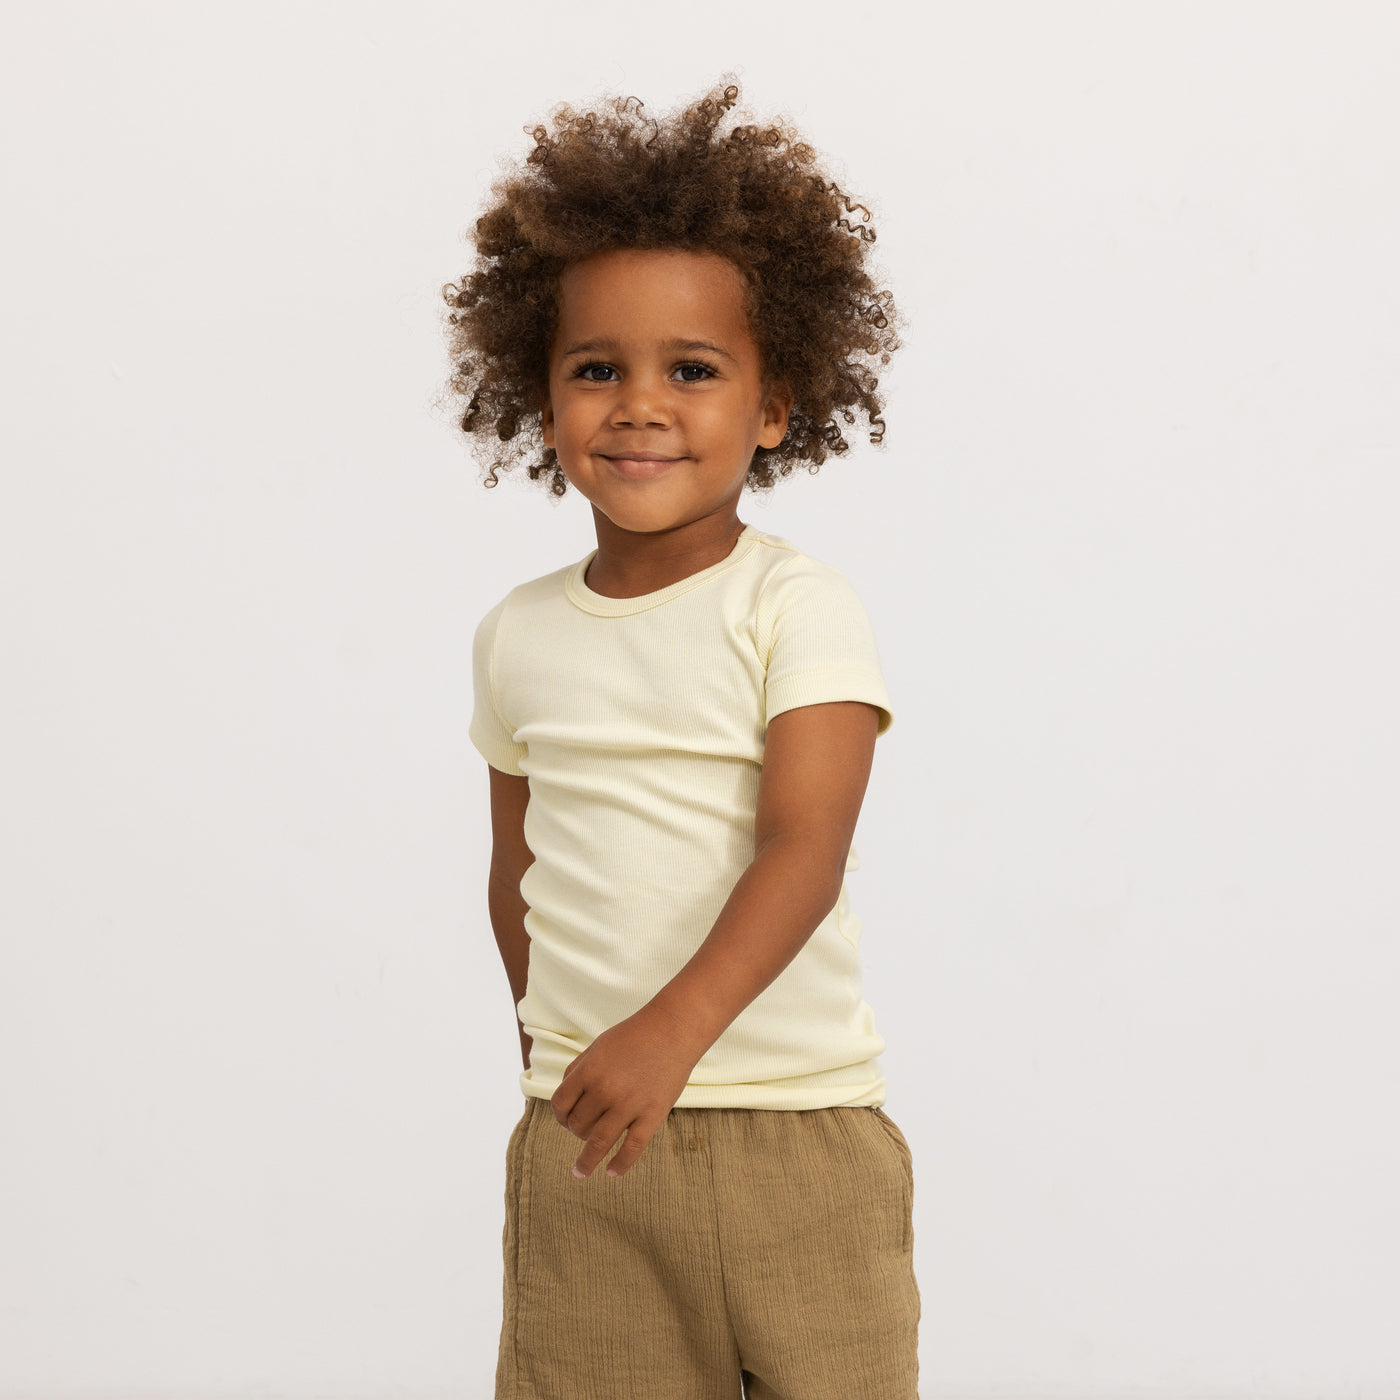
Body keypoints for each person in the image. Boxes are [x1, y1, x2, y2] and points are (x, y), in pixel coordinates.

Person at [442, 75, 920, 1400]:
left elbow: (804, 850)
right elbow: (517, 868)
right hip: (594, 1144)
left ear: (774, 406)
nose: (640, 403)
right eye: (598, 369)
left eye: (692, 371)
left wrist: (671, 1034)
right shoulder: (518, 633)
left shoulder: (796, 607)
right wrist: (554, 1059)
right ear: (542, 398)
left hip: (795, 1134)